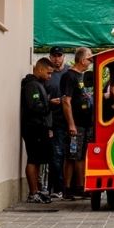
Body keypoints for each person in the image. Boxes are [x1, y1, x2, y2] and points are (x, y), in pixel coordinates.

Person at [60, 47, 93, 200]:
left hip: (86, 123)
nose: (91, 60)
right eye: (89, 57)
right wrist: (71, 124)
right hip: (76, 124)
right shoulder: (69, 76)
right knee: (71, 155)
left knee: (81, 156)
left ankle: (81, 187)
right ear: (82, 60)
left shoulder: (82, 77)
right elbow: (66, 101)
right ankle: (67, 188)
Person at [21, 58, 55, 203]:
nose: (50, 76)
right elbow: (35, 106)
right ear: (40, 69)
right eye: (48, 73)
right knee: (33, 159)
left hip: (40, 127)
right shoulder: (32, 85)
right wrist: (49, 103)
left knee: (39, 159)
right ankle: (33, 192)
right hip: (33, 127)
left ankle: (38, 189)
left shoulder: (39, 84)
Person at [43, 47, 67, 198]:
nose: (57, 59)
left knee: (71, 156)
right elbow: (41, 96)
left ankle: (70, 186)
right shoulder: (47, 75)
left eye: (59, 56)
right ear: (50, 57)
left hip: (71, 120)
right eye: (54, 56)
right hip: (54, 121)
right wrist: (49, 101)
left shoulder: (70, 72)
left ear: (64, 57)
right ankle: (57, 188)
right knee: (56, 155)